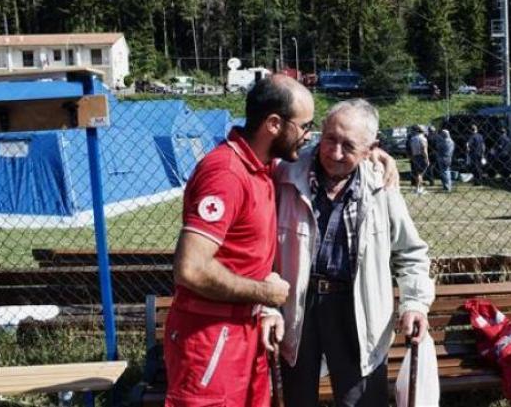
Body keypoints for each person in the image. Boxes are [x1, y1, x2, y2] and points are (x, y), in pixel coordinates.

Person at [166, 75, 399, 407]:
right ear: (275, 124)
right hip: (214, 337)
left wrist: (371, 156)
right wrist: (265, 295)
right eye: (306, 127)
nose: (310, 137)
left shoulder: (264, 169)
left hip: (247, 336)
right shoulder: (228, 174)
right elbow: (190, 268)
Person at [273, 99, 435, 407]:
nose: (334, 153)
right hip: (297, 307)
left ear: (370, 148)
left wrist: (415, 303)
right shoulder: (286, 176)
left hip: (357, 307)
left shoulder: (381, 185)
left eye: (348, 146)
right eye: (330, 139)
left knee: (361, 401)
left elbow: (411, 254)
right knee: (295, 398)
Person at [409, 125, 430, 194]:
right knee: (420, 174)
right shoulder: (423, 139)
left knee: (418, 173)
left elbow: (411, 149)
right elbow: (424, 149)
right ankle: (418, 188)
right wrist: (427, 159)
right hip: (421, 156)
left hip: (415, 156)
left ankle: (420, 187)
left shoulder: (412, 138)